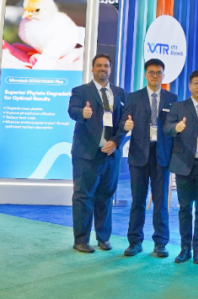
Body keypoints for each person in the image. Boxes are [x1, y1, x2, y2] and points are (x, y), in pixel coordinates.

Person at [67, 54, 127, 253]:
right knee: (83, 197)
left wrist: (116, 142)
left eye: (106, 66)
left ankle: (103, 238)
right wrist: (81, 114)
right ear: (92, 69)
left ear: (110, 69)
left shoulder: (120, 93)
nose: (103, 68)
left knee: (106, 197)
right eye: (99, 65)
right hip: (86, 154)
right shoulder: (80, 91)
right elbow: (72, 110)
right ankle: (80, 240)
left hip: (111, 154)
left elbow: (124, 122)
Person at [123, 59, 178, 258]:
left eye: (159, 72)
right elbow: (123, 121)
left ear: (163, 75)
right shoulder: (133, 97)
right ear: (146, 75)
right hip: (138, 155)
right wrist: (125, 126)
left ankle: (160, 243)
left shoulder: (172, 98)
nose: (155, 76)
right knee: (138, 201)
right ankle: (135, 242)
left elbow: (174, 128)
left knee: (161, 202)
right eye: (152, 72)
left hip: (161, 156)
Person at [164, 70, 198, 265]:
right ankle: (185, 248)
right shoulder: (178, 107)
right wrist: (176, 128)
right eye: (195, 83)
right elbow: (166, 128)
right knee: (185, 208)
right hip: (183, 164)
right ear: (189, 86)